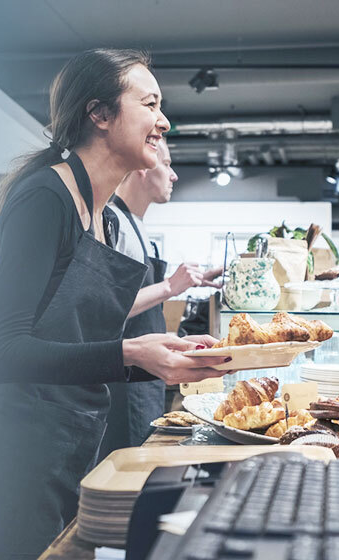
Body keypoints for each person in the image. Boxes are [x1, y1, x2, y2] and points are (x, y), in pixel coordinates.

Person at [0, 49, 230, 559]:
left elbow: (76, 344)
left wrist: (164, 363)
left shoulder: (107, 219)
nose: (164, 121)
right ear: (99, 115)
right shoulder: (45, 198)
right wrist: (131, 354)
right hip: (13, 466)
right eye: (149, 104)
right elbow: (2, 355)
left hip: (73, 452)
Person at [98, 141, 224, 459]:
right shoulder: (112, 223)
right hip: (125, 380)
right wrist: (170, 286)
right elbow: (106, 311)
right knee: (127, 468)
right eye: (166, 164)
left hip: (145, 376)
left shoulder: (136, 225)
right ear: (142, 167)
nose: (174, 175)